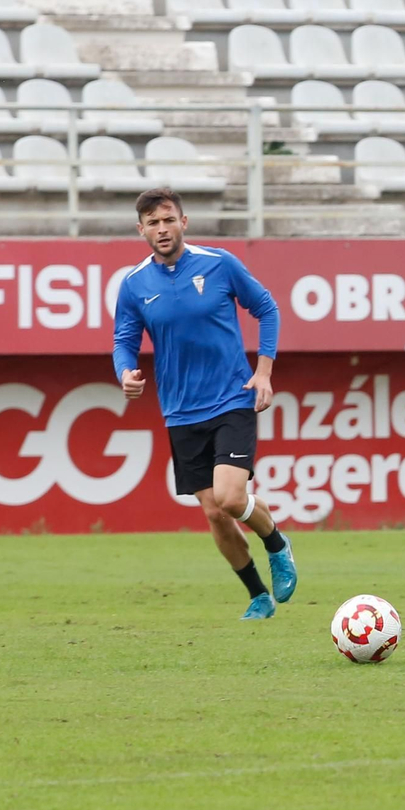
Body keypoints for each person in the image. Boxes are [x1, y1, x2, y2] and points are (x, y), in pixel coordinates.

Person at [113, 187, 295, 621]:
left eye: (168, 219)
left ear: (184, 222)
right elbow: (124, 339)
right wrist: (125, 372)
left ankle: (277, 544)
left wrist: (264, 371)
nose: (162, 228)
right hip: (180, 411)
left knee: (232, 498)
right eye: (153, 223)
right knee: (215, 513)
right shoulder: (134, 284)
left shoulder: (218, 263)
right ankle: (258, 595)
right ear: (141, 230)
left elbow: (266, 308)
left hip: (232, 398)